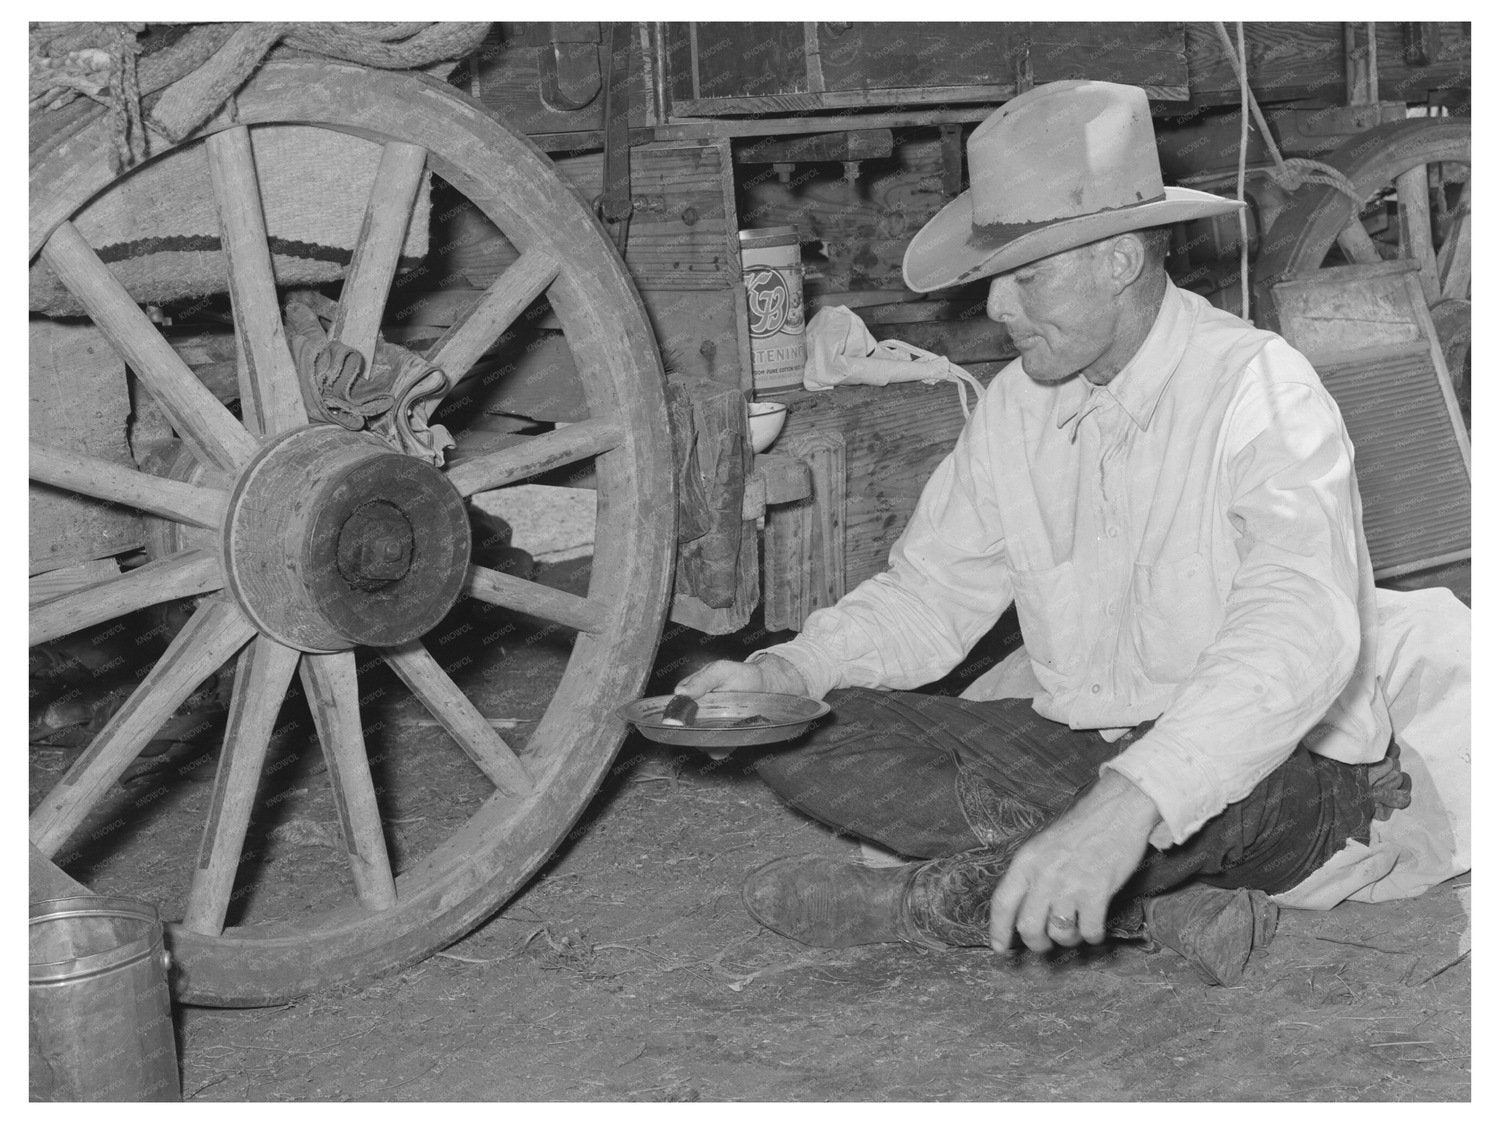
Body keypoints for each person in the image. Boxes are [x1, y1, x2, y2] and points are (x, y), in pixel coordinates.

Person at [676, 80, 1470, 986]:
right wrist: (782, 673)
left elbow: (1295, 632)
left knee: (1239, 789)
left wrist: (1131, 803)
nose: (999, 310)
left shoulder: (1260, 387)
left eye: (1028, 275)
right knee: (803, 733)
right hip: (1089, 751)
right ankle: (1144, 904)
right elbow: (929, 596)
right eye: (994, 279)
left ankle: (938, 906)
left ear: (1121, 261)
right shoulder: (1016, 407)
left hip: (1282, 776)